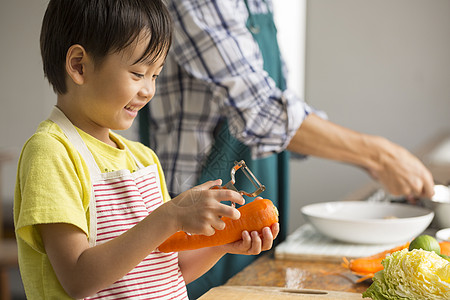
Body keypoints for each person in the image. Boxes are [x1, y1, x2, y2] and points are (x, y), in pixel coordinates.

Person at [139, 0, 435, 298]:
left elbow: (280, 102)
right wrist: (379, 155)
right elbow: (261, 111)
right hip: (195, 207)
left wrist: (371, 160)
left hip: (253, 202)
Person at [13, 0, 279, 299]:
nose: (148, 90)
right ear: (79, 66)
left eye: (155, 75)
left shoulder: (143, 159)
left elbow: (168, 267)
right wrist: (170, 217)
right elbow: (77, 277)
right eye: (138, 74)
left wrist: (223, 244)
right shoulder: (51, 153)